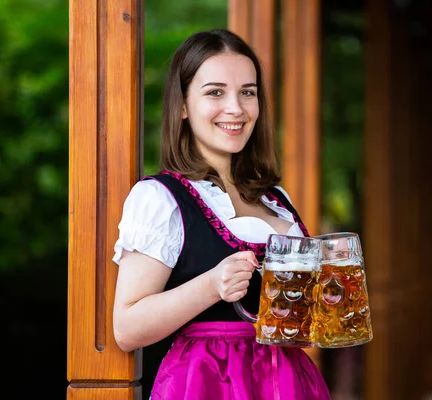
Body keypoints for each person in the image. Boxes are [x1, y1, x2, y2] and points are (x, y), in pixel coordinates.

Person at [112, 28, 330, 400]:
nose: (236, 108)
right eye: (215, 92)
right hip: (208, 383)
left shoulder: (276, 199)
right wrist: (212, 285)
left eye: (248, 92)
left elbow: (301, 325)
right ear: (182, 106)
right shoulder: (160, 199)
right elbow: (128, 328)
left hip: (290, 384)